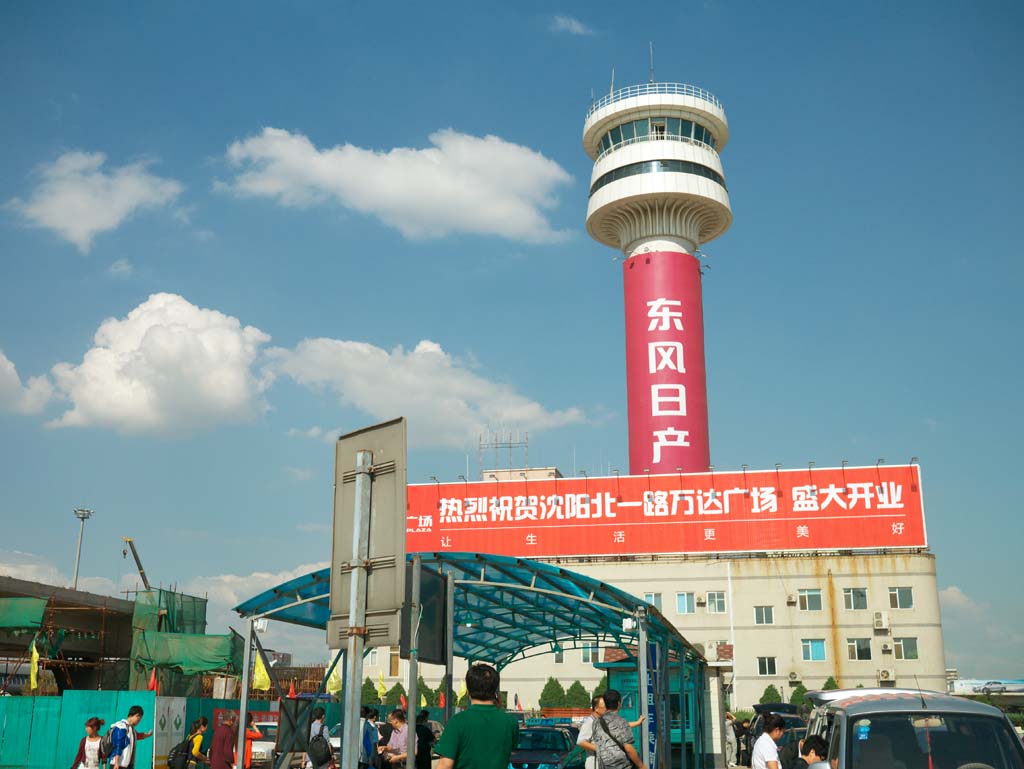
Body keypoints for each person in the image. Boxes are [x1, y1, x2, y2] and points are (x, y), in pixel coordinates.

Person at [434, 663, 519, 769]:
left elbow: (445, 765)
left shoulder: (457, 722)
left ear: (468, 691)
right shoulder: (511, 722)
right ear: (495, 690)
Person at [592, 688, 646, 769]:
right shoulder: (621, 722)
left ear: (605, 705)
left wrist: (637, 722)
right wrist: (642, 766)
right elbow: (629, 749)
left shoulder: (596, 723)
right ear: (619, 704)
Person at [577, 695, 608, 769]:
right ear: (596, 708)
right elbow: (581, 742)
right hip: (594, 765)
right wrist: (601, 749)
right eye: (605, 706)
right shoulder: (589, 722)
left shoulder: (601, 721)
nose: (607, 708)